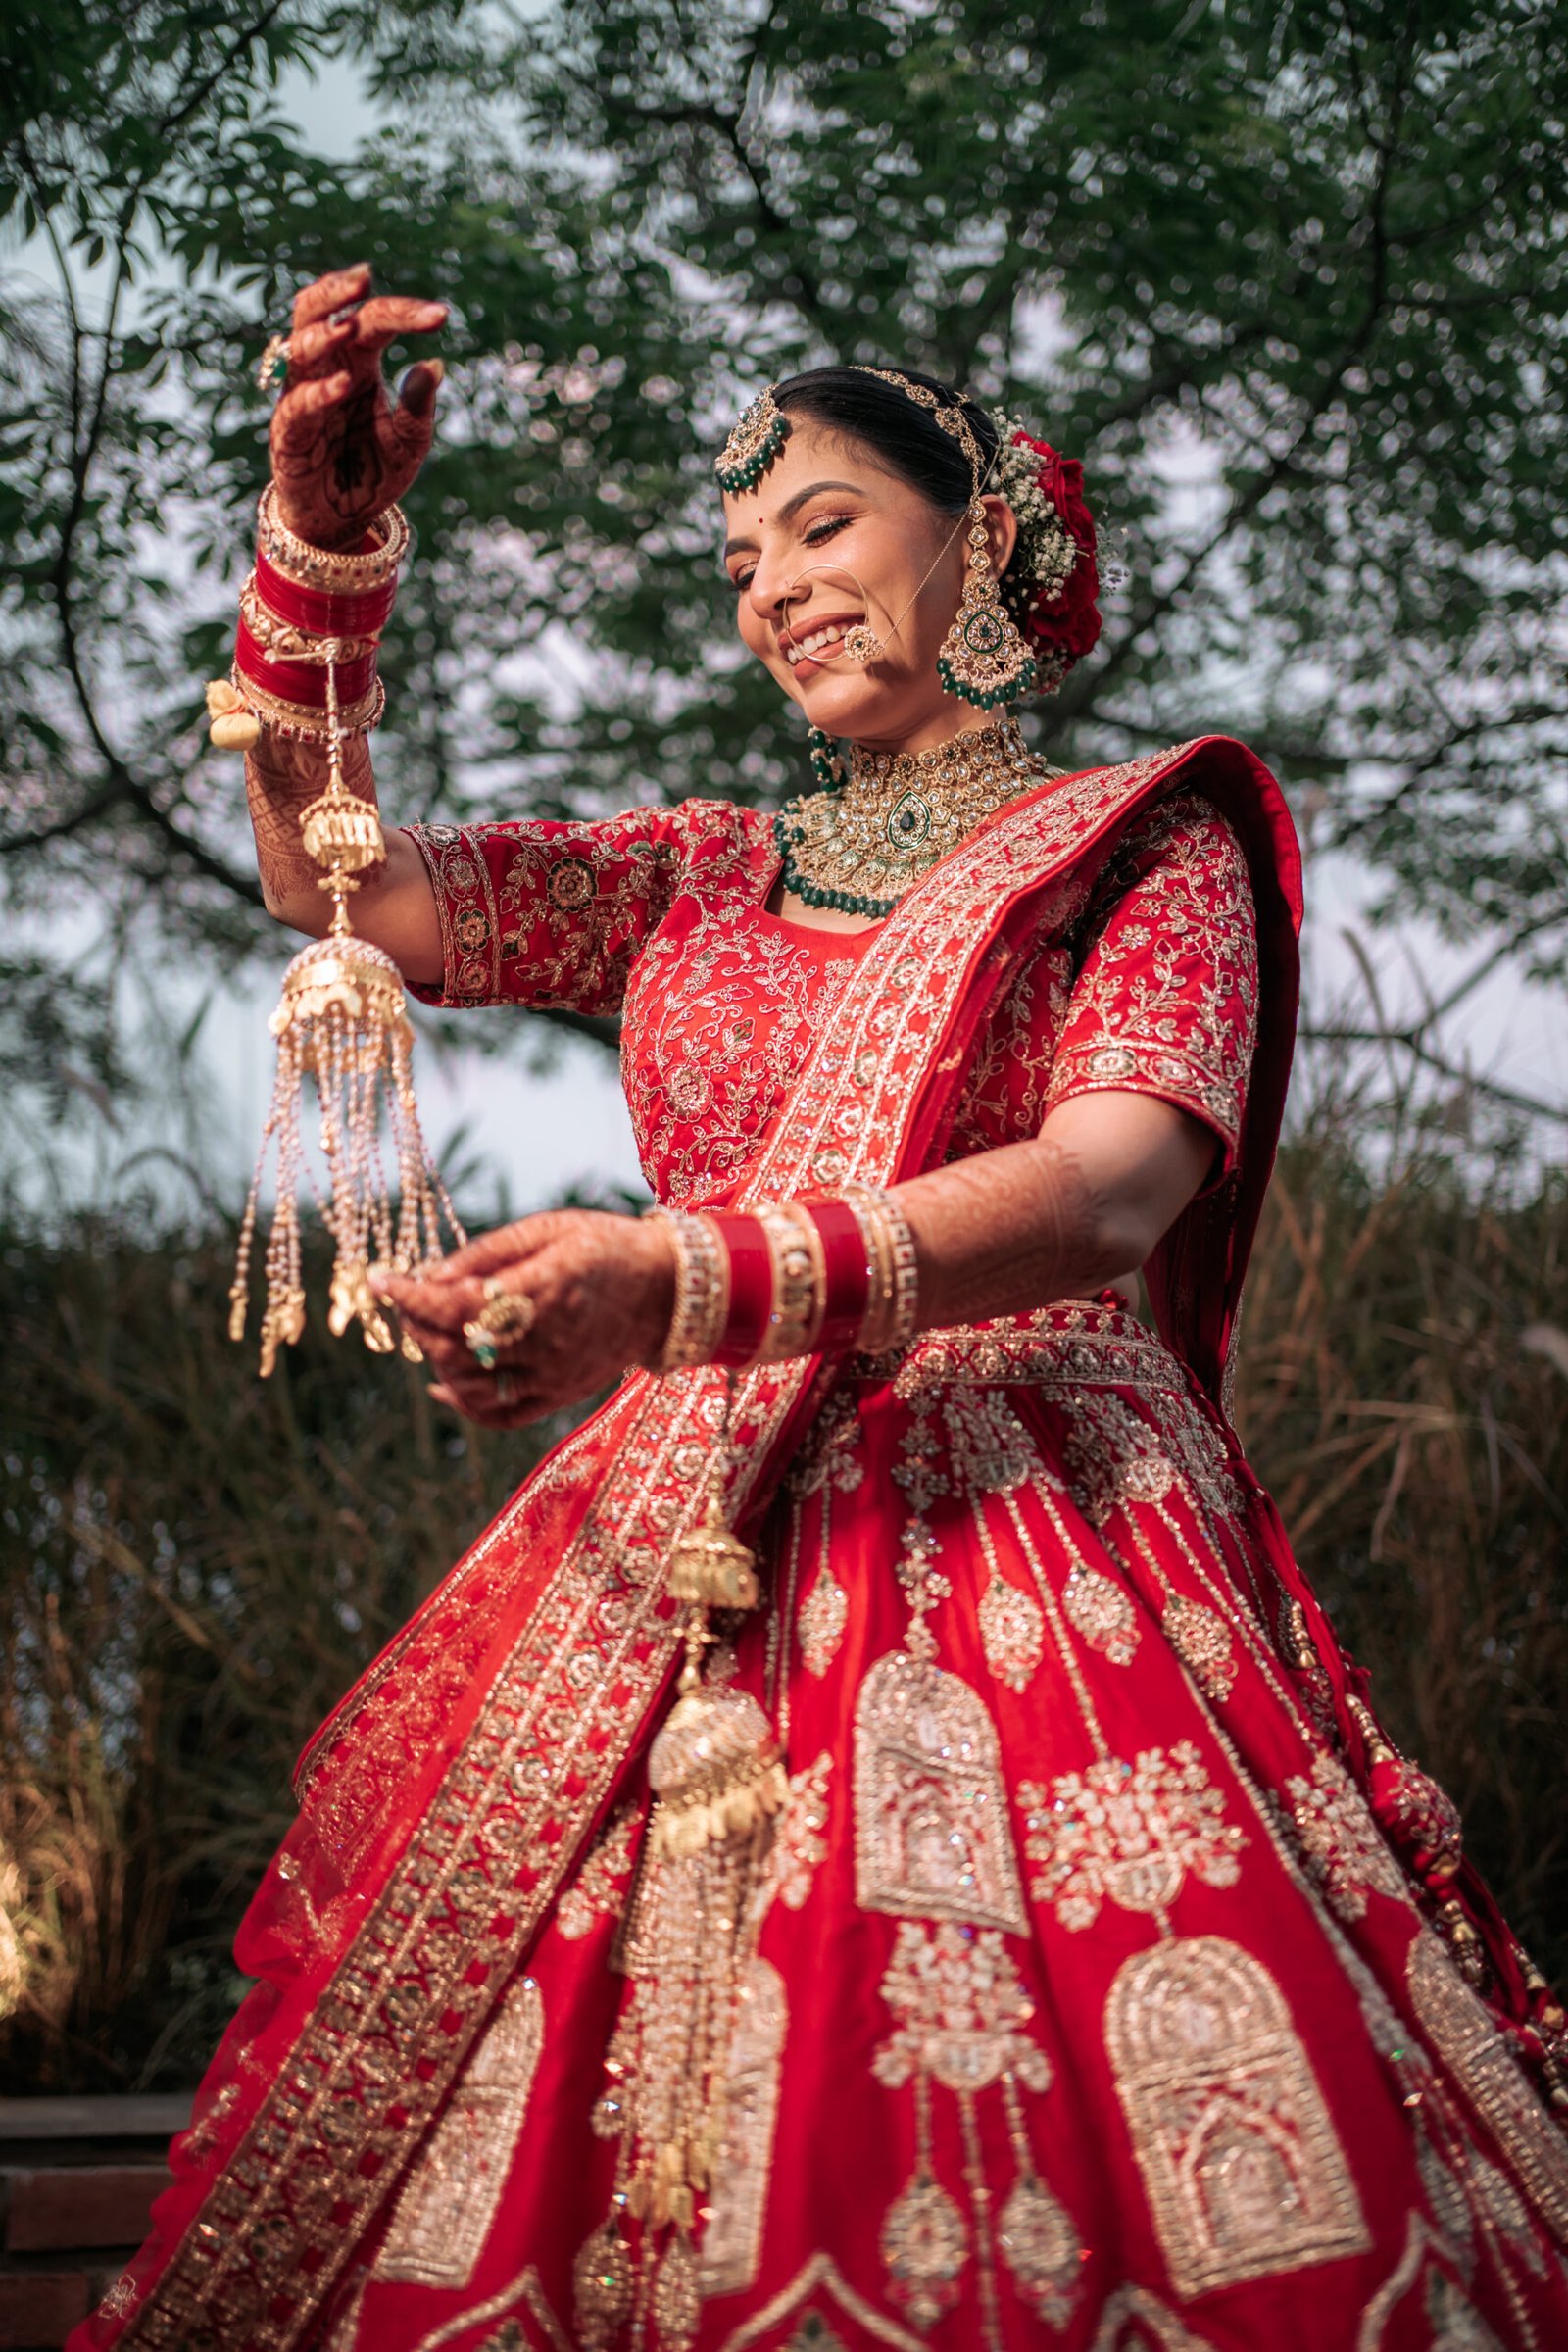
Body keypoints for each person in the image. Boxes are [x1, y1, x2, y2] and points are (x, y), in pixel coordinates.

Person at [75, 267, 1568, 2352]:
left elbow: (1106, 1193)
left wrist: (666, 1278)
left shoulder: (1139, 848)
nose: (770, 586)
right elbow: (342, 884)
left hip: (1035, 1535)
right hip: (685, 1551)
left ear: (984, 540)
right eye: (739, 559)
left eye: (823, 522)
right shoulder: (696, 872)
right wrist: (320, 553)